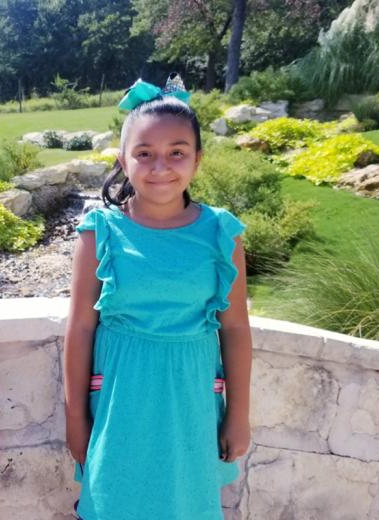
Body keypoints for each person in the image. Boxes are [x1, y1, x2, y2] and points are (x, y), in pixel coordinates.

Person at [63, 75, 253, 520]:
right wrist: (75, 420)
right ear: (123, 161)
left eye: (177, 153)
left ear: (197, 160)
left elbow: (236, 327)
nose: (160, 166)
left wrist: (238, 415)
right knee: (115, 498)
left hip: (192, 393)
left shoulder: (221, 233)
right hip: (119, 394)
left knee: (186, 501)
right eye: (144, 153)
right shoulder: (100, 233)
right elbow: (81, 327)